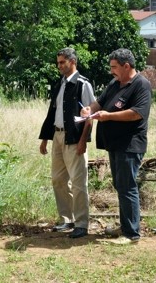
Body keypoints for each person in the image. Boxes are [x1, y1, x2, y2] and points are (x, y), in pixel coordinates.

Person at [81, 48, 152, 245]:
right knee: (120, 186)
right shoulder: (115, 82)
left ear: (126, 66)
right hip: (114, 143)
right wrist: (89, 109)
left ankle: (131, 234)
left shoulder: (141, 85)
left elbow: (137, 113)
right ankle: (126, 226)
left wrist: (108, 116)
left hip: (129, 144)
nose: (111, 71)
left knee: (127, 187)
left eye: (114, 67)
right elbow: (100, 102)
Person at [39, 48, 95, 239]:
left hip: (74, 139)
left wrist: (83, 141)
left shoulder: (82, 84)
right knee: (58, 179)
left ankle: (81, 224)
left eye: (63, 62)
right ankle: (67, 219)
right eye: (58, 63)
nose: (59, 66)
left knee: (79, 183)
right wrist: (45, 139)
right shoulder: (60, 84)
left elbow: (90, 116)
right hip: (58, 137)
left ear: (73, 62)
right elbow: (52, 112)